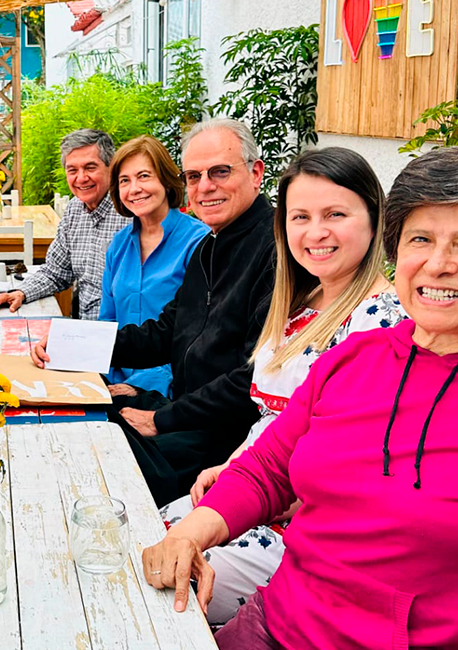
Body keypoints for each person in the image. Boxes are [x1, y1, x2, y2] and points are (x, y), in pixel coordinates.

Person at [143, 146, 458, 650]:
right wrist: (190, 534)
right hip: (279, 625)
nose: (437, 264)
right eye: (420, 239)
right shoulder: (355, 356)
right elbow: (269, 466)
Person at [160, 147, 405, 625]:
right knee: (138, 542)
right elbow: (273, 423)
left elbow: (359, 463)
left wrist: (246, 484)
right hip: (250, 482)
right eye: (300, 216)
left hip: (300, 523)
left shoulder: (382, 321)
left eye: (335, 214)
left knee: (165, 592)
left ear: (375, 219)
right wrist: (230, 466)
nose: (316, 232)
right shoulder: (298, 300)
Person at [32, 118, 275, 506]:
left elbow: (256, 378)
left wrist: (160, 417)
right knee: (61, 417)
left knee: (86, 462)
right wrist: (69, 345)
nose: (205, 186)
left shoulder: (274, 249)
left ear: (256, 173)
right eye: (195, 176)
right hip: (185, 411)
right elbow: (166, 332)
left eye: (220, 172)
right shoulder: (211, 247)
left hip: (224, 439)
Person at [0, 128, 130, 319]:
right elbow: (55, 272)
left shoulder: (131, 212)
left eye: (90, 168)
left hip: (123, 333)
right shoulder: (75, 209)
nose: (81, 178)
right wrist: (21, 293)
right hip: (86, 328)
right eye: (72, 170)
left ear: (112, 167)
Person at [101, 135, 210, 397]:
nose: (134, 188)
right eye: (124, 181)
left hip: (170, 393)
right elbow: (106, 322)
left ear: (165, 179)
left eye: (144, 176)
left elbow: (199, 337)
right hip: (112, 384)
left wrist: (140, 385)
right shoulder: (119, 244)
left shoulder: (198, 242)